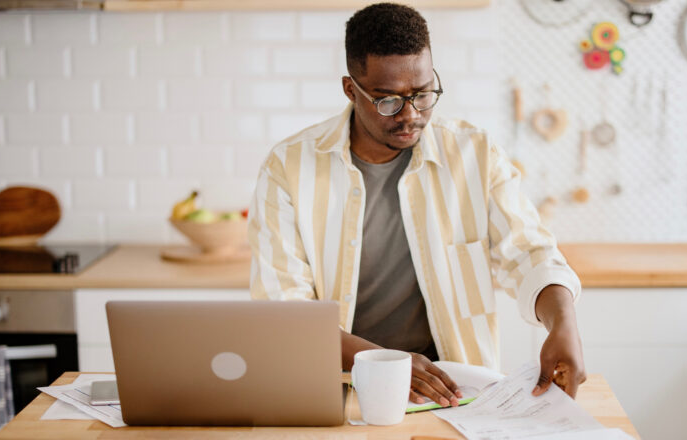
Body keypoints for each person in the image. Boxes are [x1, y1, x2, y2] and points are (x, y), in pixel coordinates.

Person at [248, 2, 584, 409]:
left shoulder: (474, 153)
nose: (410, 115)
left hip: (453, 392)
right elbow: (283, 312)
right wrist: (381, 362)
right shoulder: (289, 166)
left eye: (423, 94)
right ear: (351, 89)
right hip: (339, 387)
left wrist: (563, 322)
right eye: (388, 100)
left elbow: (529, 254)